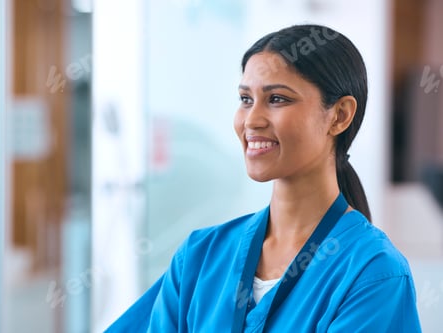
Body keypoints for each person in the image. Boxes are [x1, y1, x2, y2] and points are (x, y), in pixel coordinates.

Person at [105, 24, 422, 332]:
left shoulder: (373, 273)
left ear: (339, 115)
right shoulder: (200, 257)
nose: (252, 120)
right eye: (246, 100)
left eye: (277, 99)